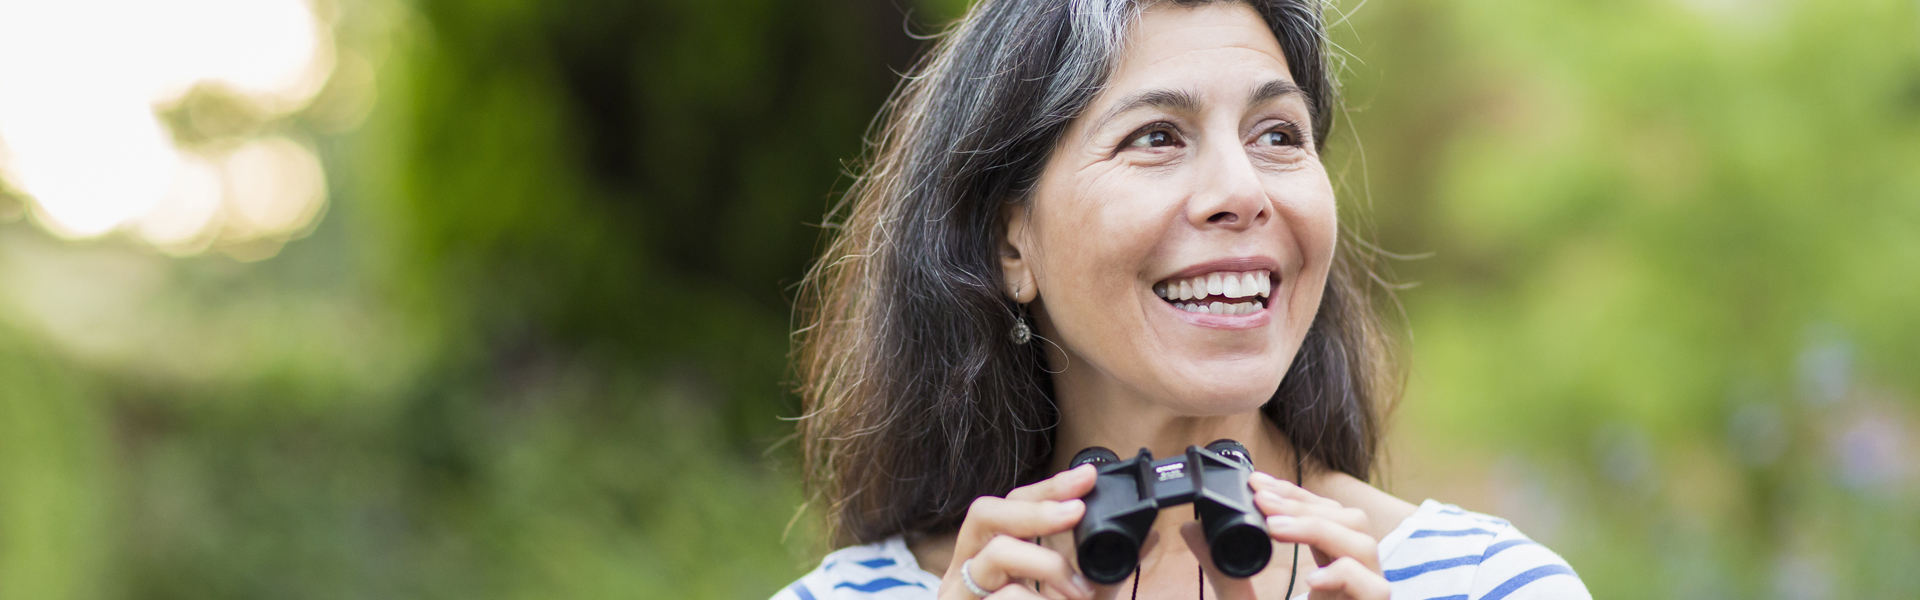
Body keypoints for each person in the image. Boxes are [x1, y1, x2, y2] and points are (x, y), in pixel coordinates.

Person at [777, 1, 1592, 599]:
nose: (1242, 191)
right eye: (1156, 137)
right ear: (1010, 244)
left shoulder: (1493, 584)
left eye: (1278, 135)